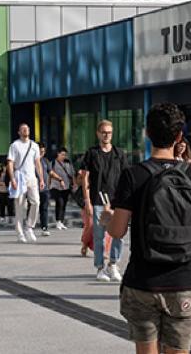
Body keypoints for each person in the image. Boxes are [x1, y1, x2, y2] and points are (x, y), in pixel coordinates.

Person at [101, 102, 191, 354]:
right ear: (179, 136)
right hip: (183, 281)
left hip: (143, 282)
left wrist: (107, 218)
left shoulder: (133, 175)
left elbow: (117, 231)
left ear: (147, 133)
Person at [82, 120, 129, 282]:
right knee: (99, 236)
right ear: (98, 133)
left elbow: (125, 177)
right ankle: (100, 268)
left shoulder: (119, 153)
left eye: (109, 132)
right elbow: (85, 178)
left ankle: (113, 264)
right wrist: (87, 201)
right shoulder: (92, 153)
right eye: (103, 132)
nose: (106, 135)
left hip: (117, 201)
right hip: (97, 199)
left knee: (119, 234)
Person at [6, 124, 44, 243]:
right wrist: (12, 179)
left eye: (27, 129)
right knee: (20, 207)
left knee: (36, 202)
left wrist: (41, 178)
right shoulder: (15, 145)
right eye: (23, 129)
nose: (25, 130)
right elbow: (10, 163)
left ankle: (29, 227)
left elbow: (37, 163)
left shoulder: (34, 145)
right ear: (19, 132)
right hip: (19, 178)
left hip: (32, 178)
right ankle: (20, 232)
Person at [49, 147, 75, 230]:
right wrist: (48, 184)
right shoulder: (52, 163)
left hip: (66, 187)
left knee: (64, 204)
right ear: (58, 154)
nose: (64, 156)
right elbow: (49, 174)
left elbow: (72, 174)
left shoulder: (68, 163)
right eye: (62, 154)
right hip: (56, 186)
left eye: (65, 155)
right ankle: (58, 221)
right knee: (59, 203)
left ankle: (61, 221)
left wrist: (74, 183)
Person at [37, 143, 52, 236]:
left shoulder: (45, 161)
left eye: (43, 151)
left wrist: (59, 179)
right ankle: (29, 226)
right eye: (40, 151)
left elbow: (50, 172)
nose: (42, 153)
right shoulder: (31, 161)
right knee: (33, 207)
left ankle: (44, 227)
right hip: (33, 188)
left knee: (44, 208)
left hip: (45, 189)